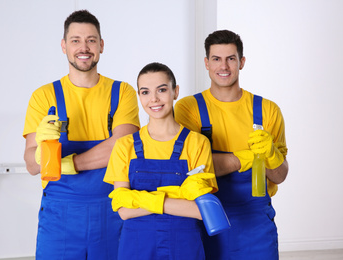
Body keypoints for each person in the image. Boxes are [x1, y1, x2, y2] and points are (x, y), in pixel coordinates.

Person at [22, 10, 140, 259]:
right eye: (75, 40)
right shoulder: (44, 96)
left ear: (101, 45)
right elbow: (32, 165)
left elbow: (122, 146)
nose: (83, 47)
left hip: (111, 209)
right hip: (59, 217)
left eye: (91, 40)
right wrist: (42, 151)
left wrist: (68, 164)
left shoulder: (122, 92)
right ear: (64, 46)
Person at [174, 30, 289, 260]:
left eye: (231, 58)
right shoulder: (188, 109)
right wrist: (246, 158)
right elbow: (189, 168)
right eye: (216, 59)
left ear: (241, 62)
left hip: (257, 224)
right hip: (206, 218)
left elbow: (279, 176)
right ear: (206, 63)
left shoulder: (268, 110)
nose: (223, 66)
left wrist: (272, 155)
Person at [103, 62, 218, 260]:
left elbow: (200, 210)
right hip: (136, 247)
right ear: (139, 96)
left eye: (162, 90)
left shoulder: (197, 143)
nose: (154, 99)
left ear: (176, 92)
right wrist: (176, 198)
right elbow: (123, 211)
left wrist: (141, 199)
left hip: (184, 246)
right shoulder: (125, 146)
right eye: (145, 92)